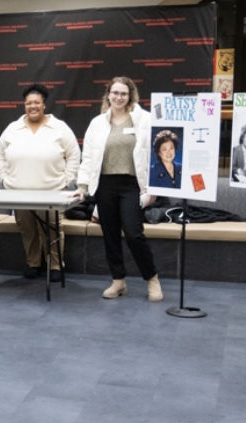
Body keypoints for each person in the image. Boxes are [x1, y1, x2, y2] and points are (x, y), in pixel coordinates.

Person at [75, 77, 163, 302]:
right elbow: (88, 157)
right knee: (111, 235)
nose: (119, 97)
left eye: (123, 93)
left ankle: (152, 279)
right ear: (108, 94)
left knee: (134, 234)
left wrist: (153, 187)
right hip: (105, 185)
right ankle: (118, 282)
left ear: (130, 95)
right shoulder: (97, 123)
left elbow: (156, 155)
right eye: (115, 93)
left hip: (132, 185)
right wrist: (82, 187)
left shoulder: (145, 120)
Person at [0, 84, 80, 282]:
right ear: (24, 105)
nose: (32, 106)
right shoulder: (13, 128)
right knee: (28, 229)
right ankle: (33, 263)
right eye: (28, 103)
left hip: (52, 193)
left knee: (52, 229)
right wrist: (3, 178)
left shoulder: (59, 127)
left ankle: (56, 266)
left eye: (36, 102)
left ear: (43, 104)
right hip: (18, 193)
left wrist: (67, 180)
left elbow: (74, 154)